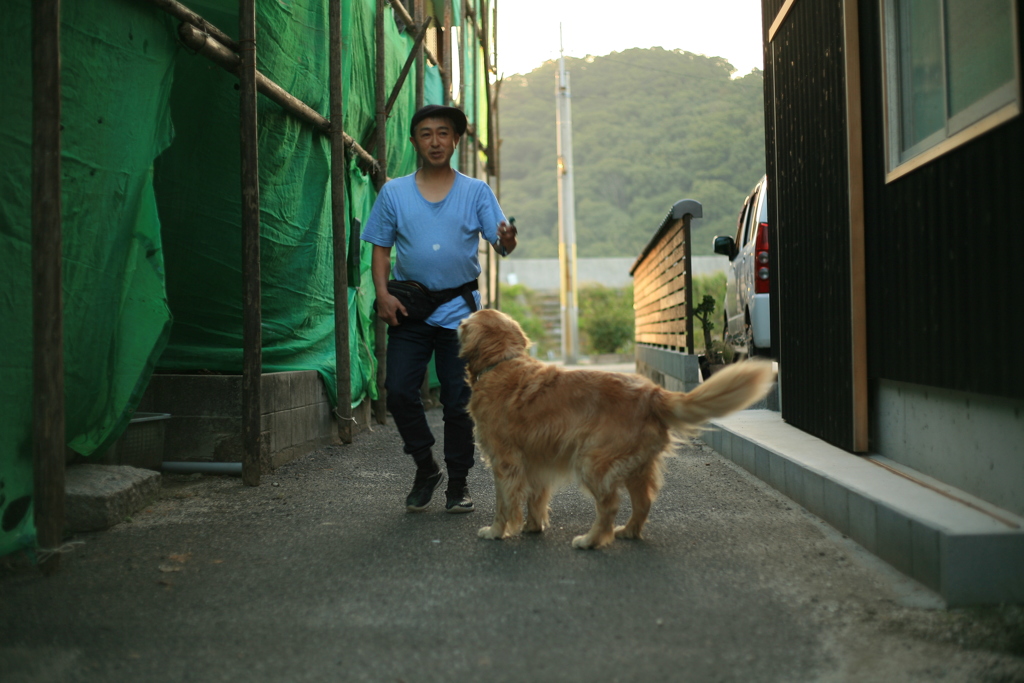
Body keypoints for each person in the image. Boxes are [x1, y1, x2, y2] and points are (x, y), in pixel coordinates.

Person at [360, 104, 517, 513]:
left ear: (455, 140)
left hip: (461, 317)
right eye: (426, 133)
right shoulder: (394, 191)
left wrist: (508, 239)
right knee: (397, 392)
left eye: (443, 133)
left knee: (458, 400)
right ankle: (425, 466)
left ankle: (458, 484)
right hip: (408, 310)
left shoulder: (476, 192)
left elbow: (501, 242)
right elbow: (380, 248)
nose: (435, 141)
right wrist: (382, 293)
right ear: (414, 141)